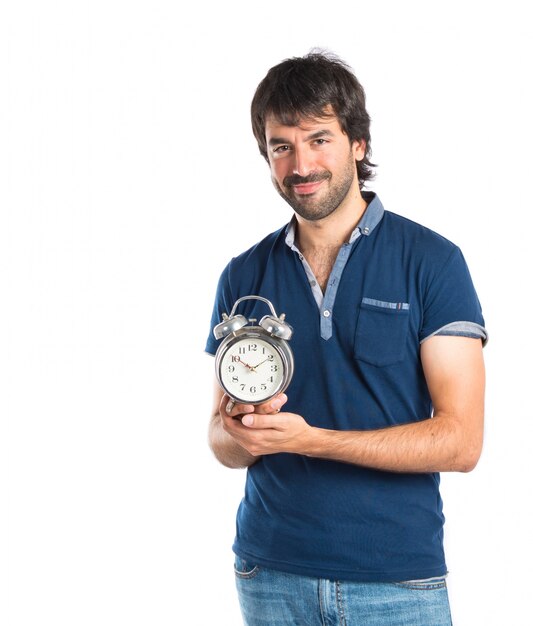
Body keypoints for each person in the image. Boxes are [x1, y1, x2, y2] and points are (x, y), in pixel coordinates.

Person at [205, 50, 487, 626]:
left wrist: (311, 441)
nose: (301, 164)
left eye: (318, 139)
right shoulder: (243, 275)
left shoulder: (432, 262)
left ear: (357, 142)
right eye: (281, 146)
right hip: (270, 575)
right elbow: (219, 440)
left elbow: (461, 442)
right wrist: (242, 434)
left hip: (398, 580)